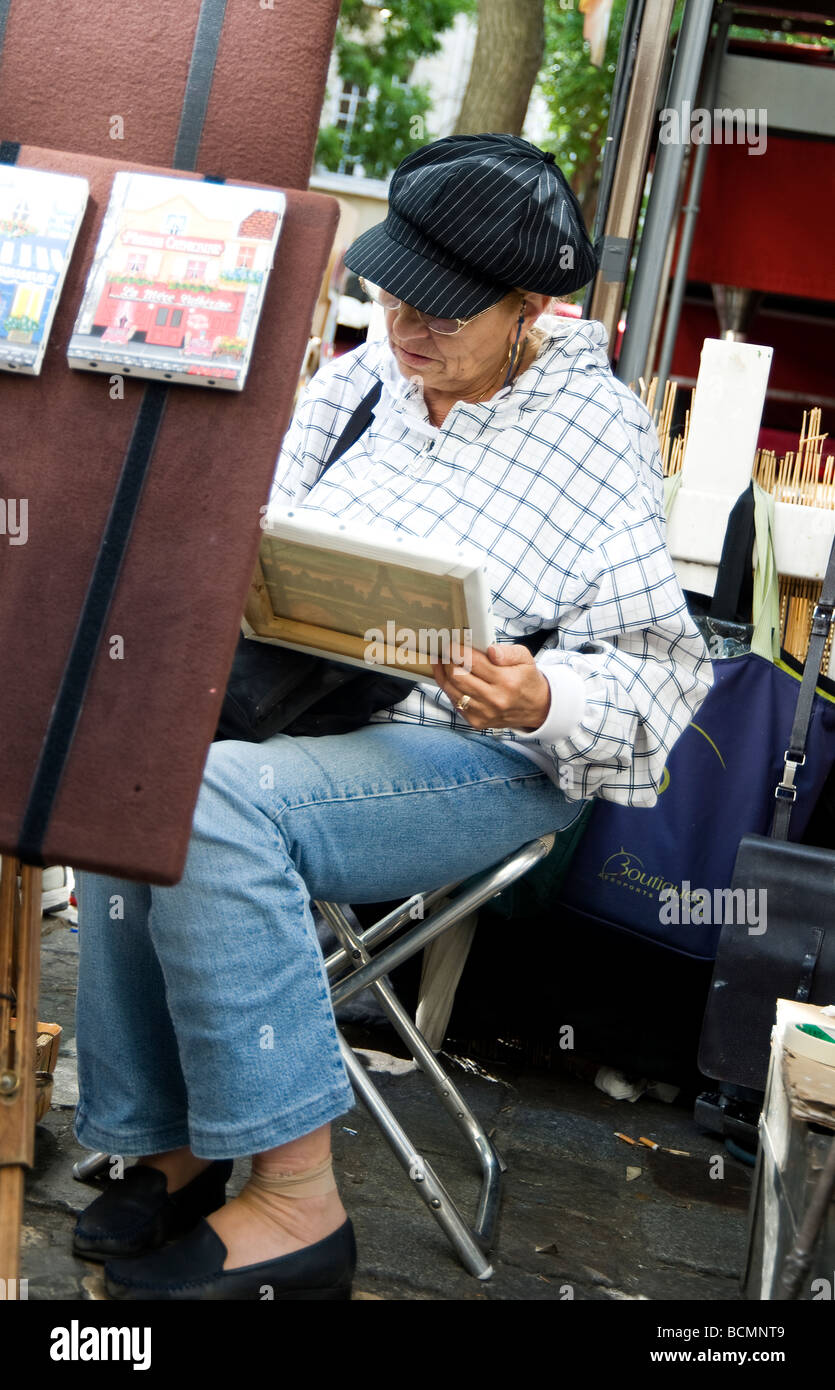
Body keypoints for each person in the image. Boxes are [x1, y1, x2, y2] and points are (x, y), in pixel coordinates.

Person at [72, 134, 712, 1300]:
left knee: (213, 802)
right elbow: (255, 528)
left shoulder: (597, 429)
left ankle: (298, 1202)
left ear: (528, 308)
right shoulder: (362, 375)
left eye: (443, 315)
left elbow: (665, 682)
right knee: (134, 771)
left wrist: (544, 690)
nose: (406, 331)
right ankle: (169, 1136)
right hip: (311, 705)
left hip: (483, 749)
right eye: (390, 293)